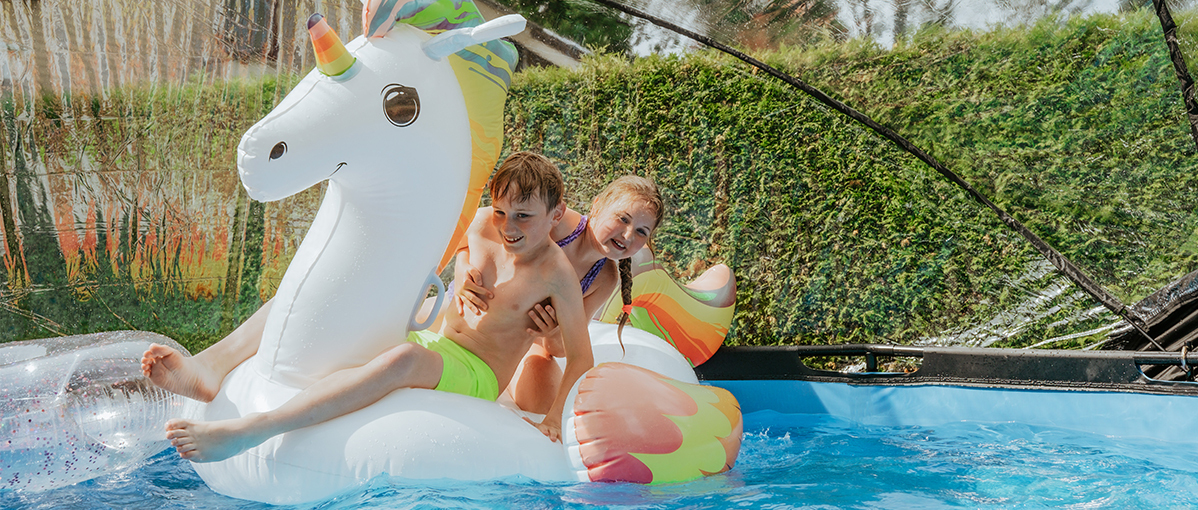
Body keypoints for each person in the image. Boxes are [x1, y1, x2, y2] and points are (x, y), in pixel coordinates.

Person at [147, 151, 594, 462]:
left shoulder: (556, 275)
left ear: (556, 216)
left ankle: (252, 430)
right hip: (435, 339)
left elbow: (580, 355)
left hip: (478, 371)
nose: (508, 226)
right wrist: (460, 270)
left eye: (523, 217)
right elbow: (461, 246)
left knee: (403, 359)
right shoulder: (482, 223)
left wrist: (554, 419)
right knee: (323, 295)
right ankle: (208, 366)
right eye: (501, 211)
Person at [450, 175, 664, 415]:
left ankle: (508, 376)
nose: (627, 235)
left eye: (641, 231)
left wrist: (552, 331)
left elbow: (563, 348)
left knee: (547, 408)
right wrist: (461, 267)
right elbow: (488, 222)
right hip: (479, 308)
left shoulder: (604, 278)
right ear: (596, 205)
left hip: (526, 340)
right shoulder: (556, 223)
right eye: (622, 219)